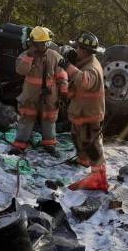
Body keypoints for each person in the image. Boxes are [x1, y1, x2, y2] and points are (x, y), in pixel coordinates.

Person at [59, 32, 108, 191]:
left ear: (84, 50)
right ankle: (83, 160)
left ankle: (98, 178)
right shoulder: (83, 63)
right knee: (77, 138)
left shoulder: (92, 67)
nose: (75, 50)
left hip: (89, 115)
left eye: (77, 48)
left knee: (91, 144)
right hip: (80, 113)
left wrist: (67, 66)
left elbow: (85, 81)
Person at [10, 26, 68, 156]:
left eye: (45, 43)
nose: (44, 45)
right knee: (26, 119)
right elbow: (21, 70)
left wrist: (64, 92)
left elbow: (62, 75)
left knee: (49, 120)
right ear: (34, 43)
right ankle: (19, 145)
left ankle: (49, 144)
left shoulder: (55, 56)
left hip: (50, 97)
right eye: (41, 43)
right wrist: (29, 56)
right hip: (30, 96)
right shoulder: (26, 56)